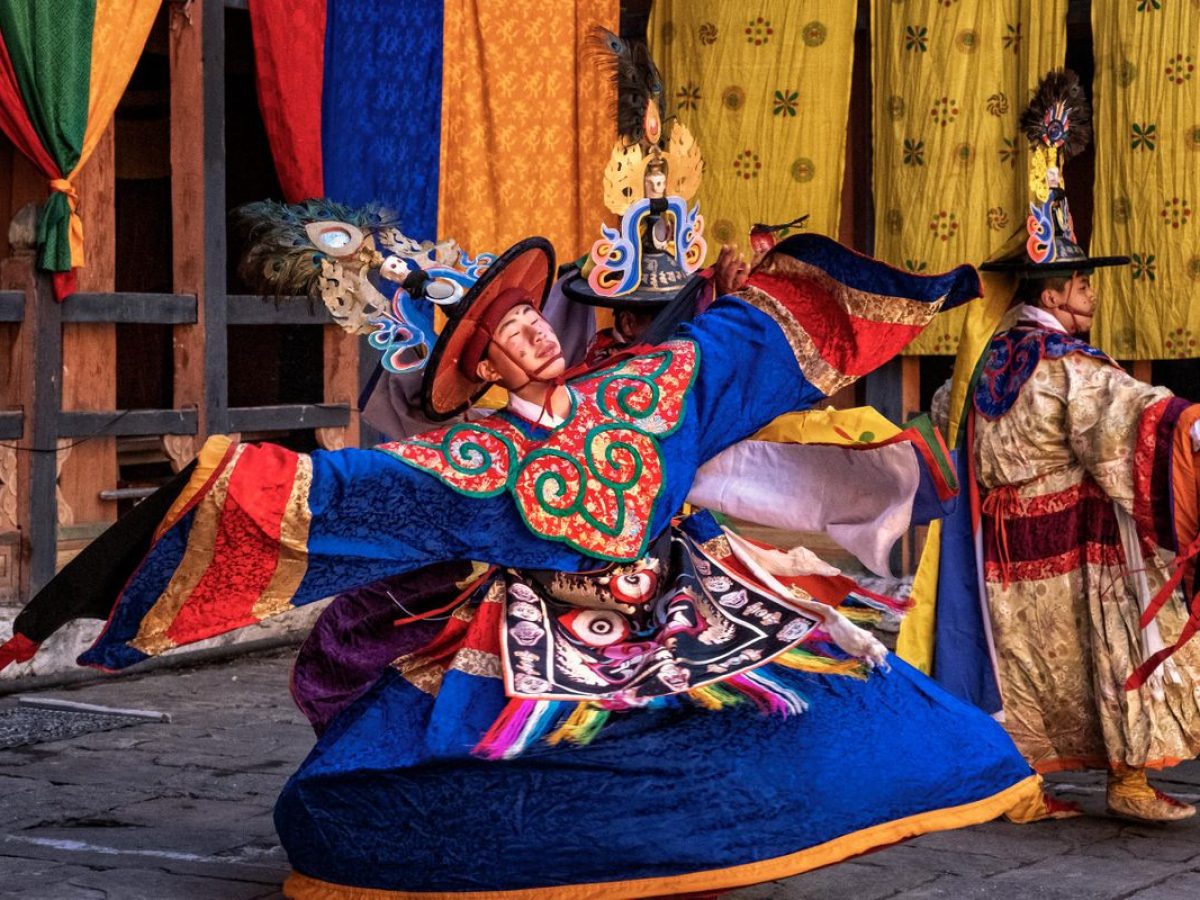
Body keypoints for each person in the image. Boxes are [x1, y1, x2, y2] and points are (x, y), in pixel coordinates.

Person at [930, 69, 1200, 823]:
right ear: (1051, 295)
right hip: (1080, 544)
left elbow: (950, 416)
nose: (1090, 292)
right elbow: (1125, 412)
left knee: (1016, 665)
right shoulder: (1066, 367)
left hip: (1002, 546)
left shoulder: (985, 357)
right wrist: (1190, 425)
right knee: (1117, 651)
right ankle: (1128, 780)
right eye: (1080, 282)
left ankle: (1015, 785)